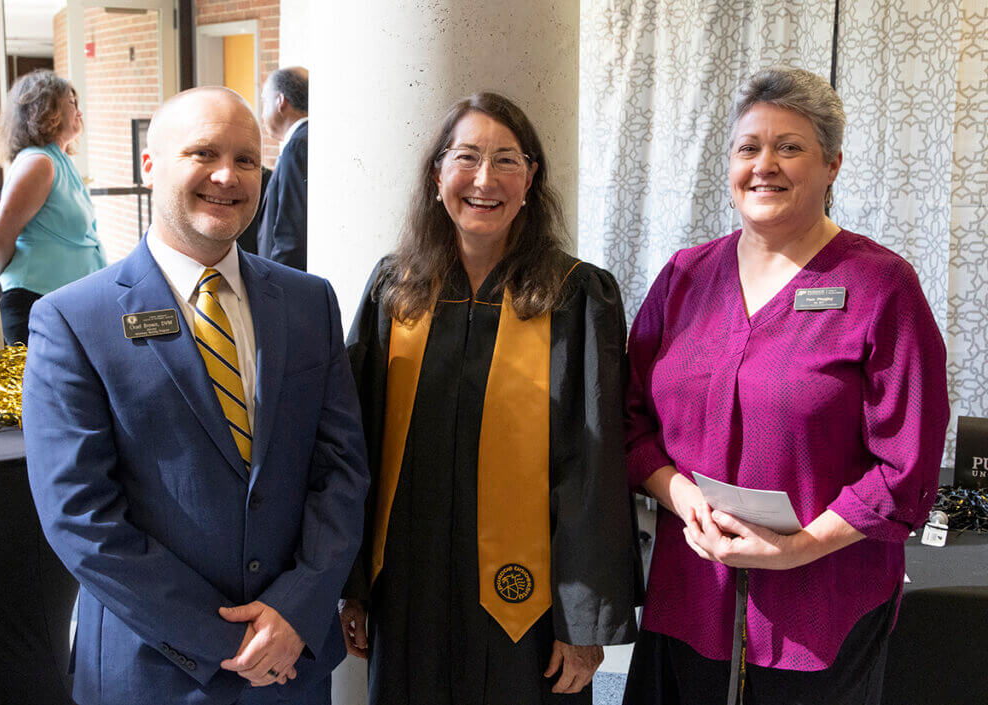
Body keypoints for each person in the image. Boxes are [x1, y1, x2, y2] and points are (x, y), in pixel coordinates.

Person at [22, 87, 369, 705]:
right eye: (203, 153)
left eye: (245, 158)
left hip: (291, 667)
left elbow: (342, 471)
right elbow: (81, 516)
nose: (226, 176)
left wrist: (293, 612)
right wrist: (224, 641)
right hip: (154, 667)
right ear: (150, 165)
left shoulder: (309, 302)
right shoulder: (72, 320)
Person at [623, 67, 950, 705]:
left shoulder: (882, 287)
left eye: (789, 147)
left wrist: (799, 548)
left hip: (821, 607)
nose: (764, 165)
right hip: (690, 592)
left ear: (831, 165)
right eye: (749, 147)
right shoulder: (684, 278)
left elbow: (905, 469)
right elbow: (631, 423)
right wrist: (680, 494)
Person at [340, 91, 641, 705]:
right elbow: (354, 446)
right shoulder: (394, 290)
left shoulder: (577, 297)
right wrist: (354, 587)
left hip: (525, 609)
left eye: (507, 160)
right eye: (467, 157)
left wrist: (581, 621)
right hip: (407, 590)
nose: (485, 179)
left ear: (532, 179)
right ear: (437, 174)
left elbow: (596, 470)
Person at [0, 69, 107, 345]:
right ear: (46, 111)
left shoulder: (60, 161)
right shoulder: (39, 163)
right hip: (32, 303)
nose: (80, 111)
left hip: (62, 302)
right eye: (72, 103)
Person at [257, 67, 309, 270]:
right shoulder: (304, 140)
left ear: (280, 101)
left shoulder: (298, 146)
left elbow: (291, 230)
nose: (261, 114)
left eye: (264, 101)